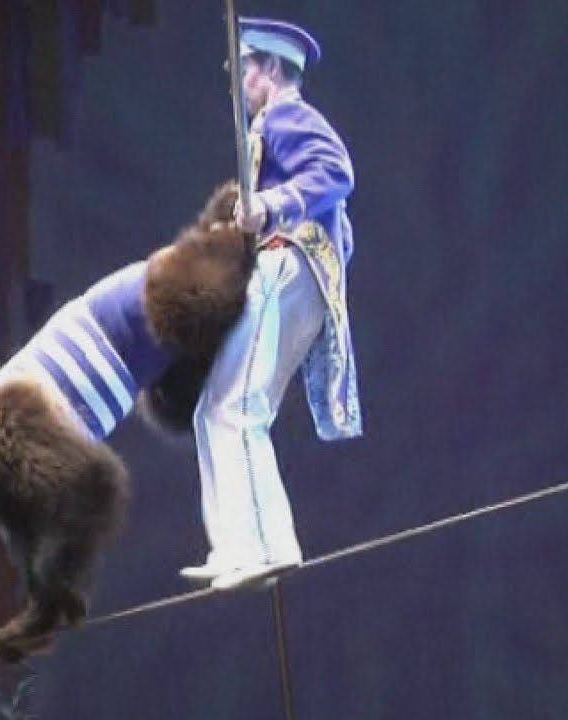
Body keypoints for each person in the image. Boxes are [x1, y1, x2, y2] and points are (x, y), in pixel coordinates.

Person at [180, 17, 363, 591]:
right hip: (293, 275)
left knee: (235, 409)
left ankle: (263, 545)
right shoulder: (267, 127)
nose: (236, 82)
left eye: (244, 69)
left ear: (273, 69)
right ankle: (239, 544)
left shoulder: (288, 115)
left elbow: (336, 172)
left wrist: (273, 205)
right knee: (216, 409)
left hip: (289, 269)